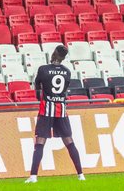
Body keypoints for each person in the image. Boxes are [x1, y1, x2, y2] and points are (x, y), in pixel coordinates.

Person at [25, 45, 84, 183]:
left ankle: (33, 176)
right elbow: (64, 88)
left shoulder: (43, 69)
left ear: (54, 54)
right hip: (61, 110)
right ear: (63, 58)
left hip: (46, 109)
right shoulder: (67, 71)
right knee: (69, 141)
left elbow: (37, 86)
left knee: (40, 141)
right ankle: (81, 175)